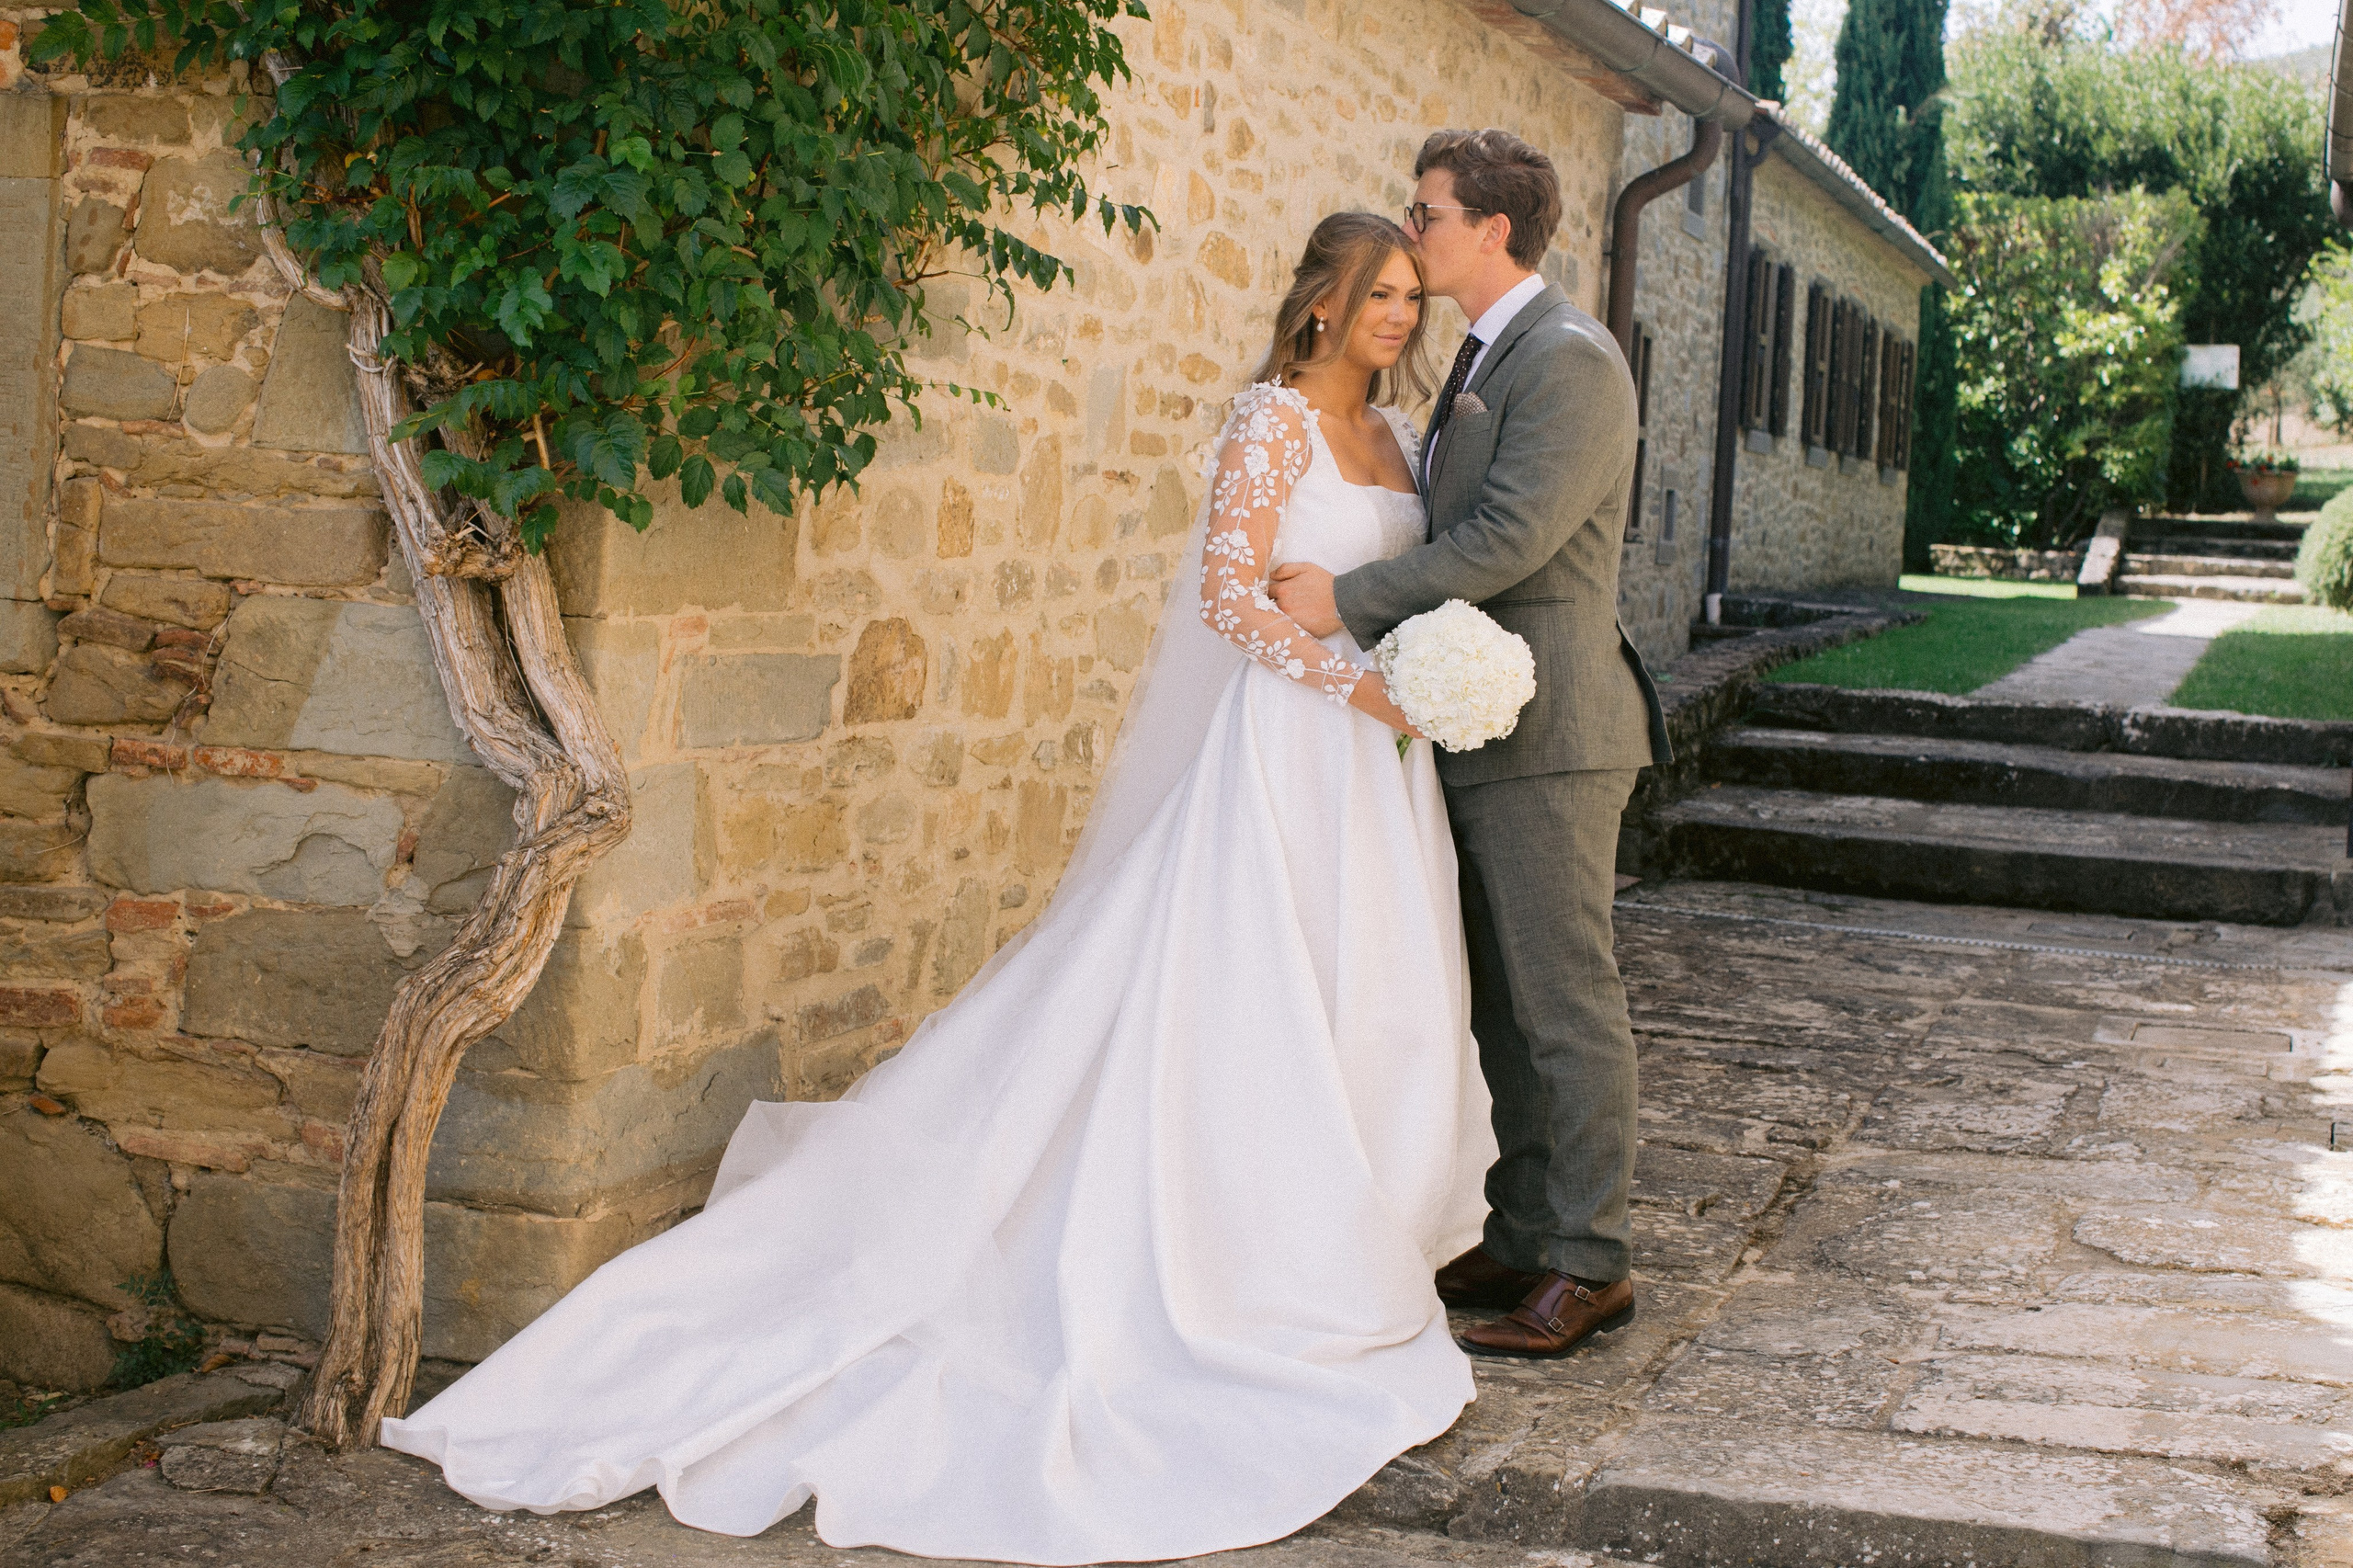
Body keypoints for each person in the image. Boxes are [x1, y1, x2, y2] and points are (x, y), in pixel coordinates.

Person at [379, 211, 1499, 1564]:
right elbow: (1227, 599)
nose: (1397, 312)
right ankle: (1235, 1261)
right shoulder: (1272, 423)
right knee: (1251, 1000)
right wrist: (1361, 681)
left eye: (1405, 294)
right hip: (1283, 754)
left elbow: (1405, 578)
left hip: (1377, 772)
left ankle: (1349, 1242)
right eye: (1374, 294)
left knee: (1371, 995)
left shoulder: (1398, 434)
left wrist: (1422, 677)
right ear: (1318, 303)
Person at [1271, 129, 1669, 1360]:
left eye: (1428, 212)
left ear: (1492, 230)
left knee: (1566, 999)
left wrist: (1346, 600)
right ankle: (1523, 1226)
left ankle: (1590, 1262)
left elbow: (1506, 537)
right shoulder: (1489, 355)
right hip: (1481, 723)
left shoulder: (1573, 360)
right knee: (1499, 998)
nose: (1413, 228)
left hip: (1556, 730)